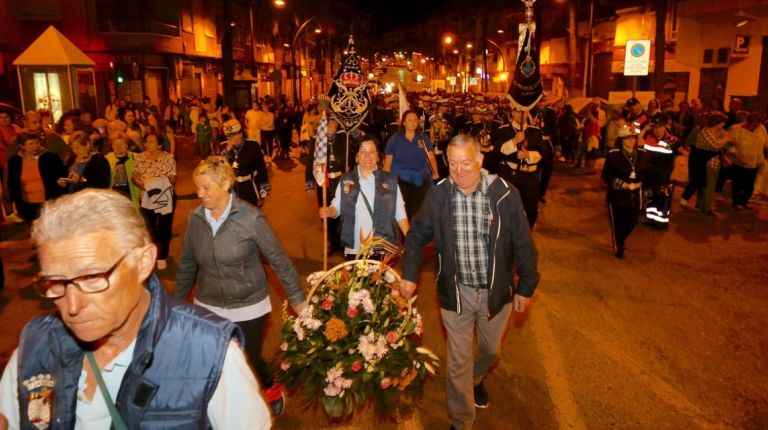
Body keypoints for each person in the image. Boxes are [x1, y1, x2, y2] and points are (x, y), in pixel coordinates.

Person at [0, 189, 271, 429]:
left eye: (93, 277)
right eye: (56, 281)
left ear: (143, 262)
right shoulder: (34, 342)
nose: (72, 306)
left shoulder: (211, 352)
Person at [398, 134, 539, 430]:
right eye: (452, 163)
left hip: (495, 294)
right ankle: (462, 421)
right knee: (458, 361)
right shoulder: (440, 195)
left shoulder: (504, 195)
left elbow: (524, 243)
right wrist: (410, 273)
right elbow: (416, 235)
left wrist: (526, 285)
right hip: (456, 293)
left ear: (480, 160)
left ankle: (476, 378)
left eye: (465, 163)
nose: (458, 170)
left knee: (490, 351)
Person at [175, 156, 306, 418]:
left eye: (206, 188)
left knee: (247, 358)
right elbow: (188, 264)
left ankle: (269, 387)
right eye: (198, 188)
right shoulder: (195, 220)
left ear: (225, 184)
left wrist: (297, 298)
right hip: (208, 302)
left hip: (248, 304)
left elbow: (278, 259)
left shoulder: (251, 218)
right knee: (213, 358)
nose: (200, 194)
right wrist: (175, 303)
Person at [319, 136, 409, 260]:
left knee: (380, 280)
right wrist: (329, 211)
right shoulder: (346, 180)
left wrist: (410, 239)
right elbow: (337, 207)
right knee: (355, 280)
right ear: (356, 157)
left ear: (378, 156)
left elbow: (400, 212)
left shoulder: (390, 180)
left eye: (372, 151)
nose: (368, 155)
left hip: (382, 247)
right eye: (363, 151)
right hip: (354, 248)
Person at [602, 126, 650, 258]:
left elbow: (647, 174)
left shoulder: (643, 154)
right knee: (617, 222)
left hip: (635, 196)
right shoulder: (614, 155)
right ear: (621, 140)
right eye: (627, 138)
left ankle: (620, 238)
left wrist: (645, 188)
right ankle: (619, 246)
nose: (631, 140)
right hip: (617, 196)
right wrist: (623, 185)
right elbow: (606, 175)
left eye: (633, 137)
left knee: (632, 221)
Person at [383, 109, 440, 220]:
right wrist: (385, 180)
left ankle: (416, 235)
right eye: (409, 120)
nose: (413, 122)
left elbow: (431, 157)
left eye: (415, 120)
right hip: (401, 179)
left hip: (421, 178)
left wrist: (435, 172)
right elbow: (388, 161)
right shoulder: (395, 139)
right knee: (404, 211)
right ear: (404, 122)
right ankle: (406, 235)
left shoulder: (423, 138)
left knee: (419, 211)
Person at [132, 132, 177, 270]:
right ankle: (154, 251)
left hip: (165, 196)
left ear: (160, 144)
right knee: (150, 227)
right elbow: (135, 177)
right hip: (146, 196)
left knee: (164, 227)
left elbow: (172, 179)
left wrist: (155, 183)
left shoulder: (168, 157)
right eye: (146, 141)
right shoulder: (140, 158)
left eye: (152, 141)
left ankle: (162, 256)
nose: (148, 144)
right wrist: (148, 187)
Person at [680, 113, 735, 218]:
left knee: (704, 184)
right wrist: (726, 140)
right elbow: (716, 144)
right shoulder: (705, 131)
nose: (724, 125)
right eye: (723, 122)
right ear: (718, 123)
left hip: (713, 162)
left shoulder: (720, 132)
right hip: (704, 162)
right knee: (707, 186)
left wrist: (730, 141)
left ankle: (701, 205)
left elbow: (729, 140)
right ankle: (706, 208)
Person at [6, 133, 67, 221]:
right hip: (26, 204)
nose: (35, 147)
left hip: (49, 202)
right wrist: (15, 201)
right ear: (22, 146)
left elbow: (63, 176)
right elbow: (12, 183)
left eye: (37, 143)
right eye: (30, 144)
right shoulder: (15, 161)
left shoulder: (51, 158)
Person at [499, 127, 543, 229]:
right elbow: (500, 150)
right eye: (516, 110)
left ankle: (526, 234)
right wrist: (514, 141)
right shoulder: (504, 129)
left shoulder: (535, 130)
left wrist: (528, 155)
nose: (519, 112)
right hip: (511, 177)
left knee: (530, 210)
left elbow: (542, 152)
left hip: (530, 178)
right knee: (509, 209)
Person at [220, 119, 270, 208]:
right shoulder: (224, 148)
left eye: (233, 135)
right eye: (228, 136)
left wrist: (263, 194)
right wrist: (227, 151)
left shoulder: (253, 145)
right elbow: (220, 168)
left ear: (240, 134)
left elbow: (261, 168)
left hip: (251, 187)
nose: (230, 138)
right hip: (233, 189)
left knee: (251, 216)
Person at [641, 114, 678, 227]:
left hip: (664, 175)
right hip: (650, 174)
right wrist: (644, 130)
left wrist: (674, 172)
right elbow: (638, 143)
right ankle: (651, 219)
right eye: (654, 127)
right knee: (650, 196)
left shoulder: (671, 140)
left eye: (660, 127)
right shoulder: (649, 138)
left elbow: (678, 157)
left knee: (663, 197)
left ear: (665, 126)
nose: (657, 130)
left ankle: (661, 223)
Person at [728, 112, 768, 210]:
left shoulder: (761, 129)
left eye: (758, 124)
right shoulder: (736, 130)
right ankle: (737, 202)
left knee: (749, 185)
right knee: (738, 184)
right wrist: (737, 157)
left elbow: (765, 142)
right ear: (749, 122)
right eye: (754, 124)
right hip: (740, 162)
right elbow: (729, 146)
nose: (756, 127)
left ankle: (744, 201)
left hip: (755, 162)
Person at [105, 132, 140, 206]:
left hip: (132, 197)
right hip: (113, 198)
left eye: (122, 144)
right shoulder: (106, 159)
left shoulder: (136, 158)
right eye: (115, 145)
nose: (119, 147)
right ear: (112, 146)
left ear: (127, 145)